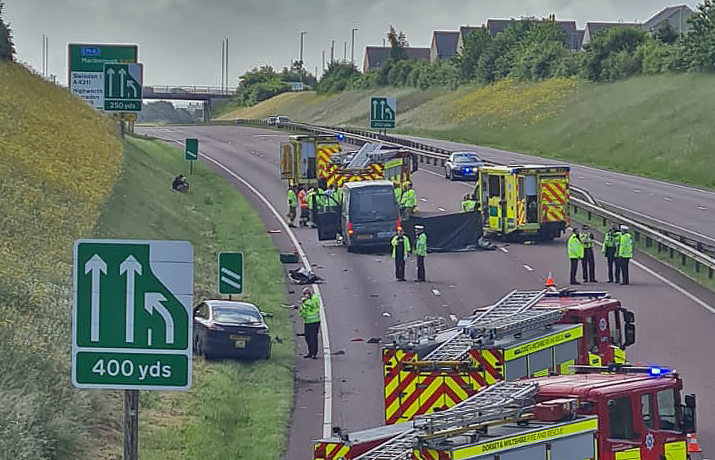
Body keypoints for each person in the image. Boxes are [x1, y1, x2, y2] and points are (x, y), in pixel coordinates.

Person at [299, 286, 321, 359]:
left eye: (306, 294)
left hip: (314, 321)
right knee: (307, 337)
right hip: (307, 321)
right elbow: (304, 309)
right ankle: (310, 352)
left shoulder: (314, 298)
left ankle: (314, 353)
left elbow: (314, 305)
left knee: (313, 338)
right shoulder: (306, 300)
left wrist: (306, 301)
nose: (305, 295)